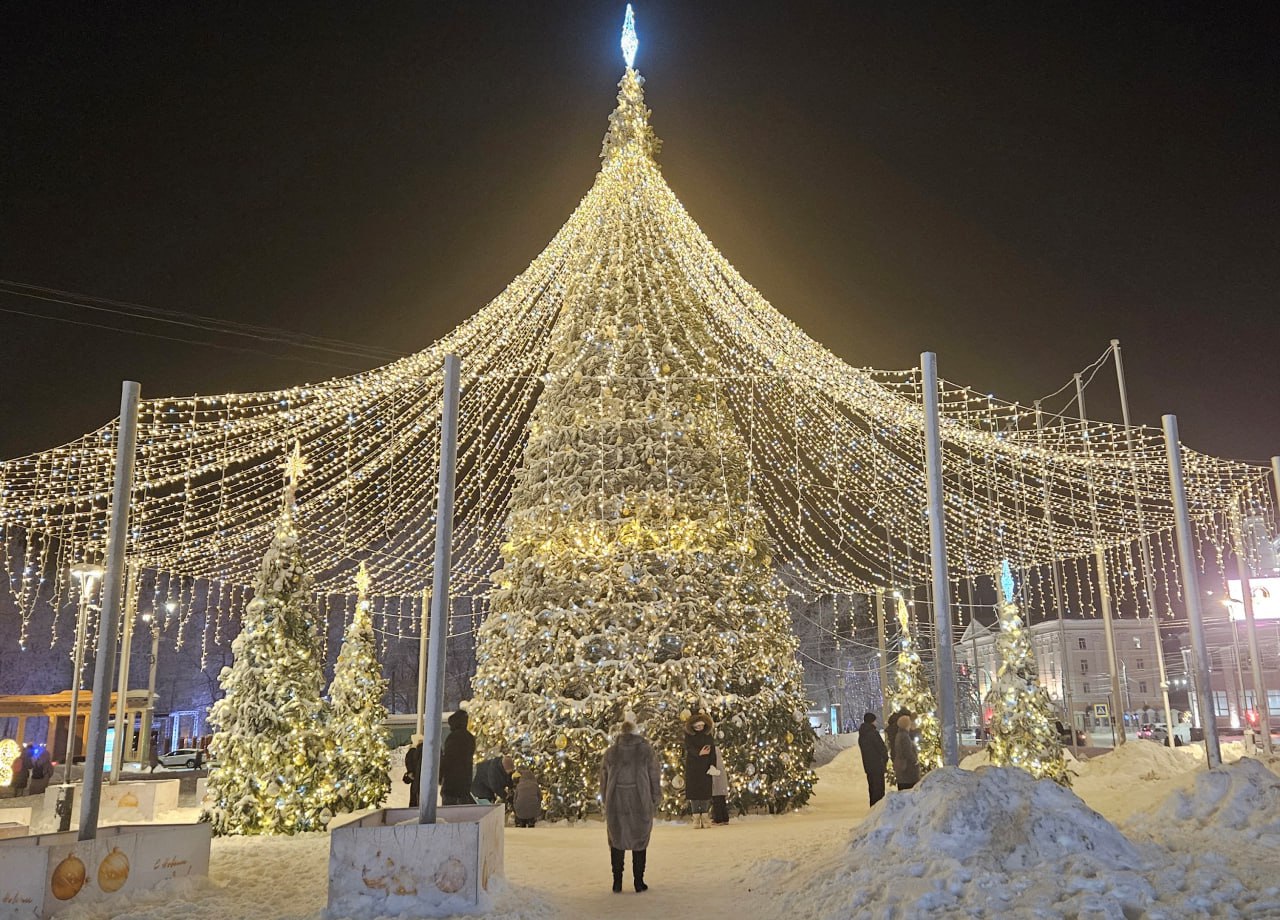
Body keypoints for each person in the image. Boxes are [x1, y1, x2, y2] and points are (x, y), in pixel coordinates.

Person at [601, 719, 660, 893]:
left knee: (617, 841)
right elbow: (654, 776)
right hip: (640, 800)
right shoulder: (646, 751)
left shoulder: (611, 753)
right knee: (640, 841)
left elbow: (603, 780)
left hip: (616, 800)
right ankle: (639, 882)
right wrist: (655, 797)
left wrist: (606, 799)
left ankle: (617, 882)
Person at [682, 712, 716, 828]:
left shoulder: (708, 736)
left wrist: (713, 765)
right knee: (694, 793)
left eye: (701, 726)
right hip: (693, 767)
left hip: (706, 767)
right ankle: (696, 816)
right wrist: (698, 753)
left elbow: (713, 753)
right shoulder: (689, 736)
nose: (699, 728)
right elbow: (689, 748)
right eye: (697, 727)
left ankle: (705, 816)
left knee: (705, 792)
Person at [439, 711, 476, 806]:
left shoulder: (453, 738)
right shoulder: (470, 738)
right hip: (465, 783)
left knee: (449, 813)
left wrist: (439, 775)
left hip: (451, 784)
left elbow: (447, 759)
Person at [857, 712, 889, 807]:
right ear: (871, 721)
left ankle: (873, 807)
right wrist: (885, 758)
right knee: (879, 789)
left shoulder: (862, 735)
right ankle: (878, 808)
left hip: (868, 765)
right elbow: (881, 748)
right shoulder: (873, 733)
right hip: (877, 765)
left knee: (872, 788)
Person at [892, 713, 920, 791]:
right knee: (908, 790)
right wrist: (915, 761)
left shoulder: (899, 734)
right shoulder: (904, 736)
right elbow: (907, 752)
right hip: (907, 768)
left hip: (903, 768)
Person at [709, 744, 730, 825]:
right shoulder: (720, 762)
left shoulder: (714, 762)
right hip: (721, 785)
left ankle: (718, 818)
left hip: (716, 785)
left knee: (717, 801)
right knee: (722, 801)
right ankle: (725, 818)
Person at [404, 733, 424, 808]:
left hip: (415, 782)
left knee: (414, 800)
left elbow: (409, 764)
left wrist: (410, 772)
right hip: (418, 781)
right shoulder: (419, 751)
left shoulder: (413, 751)